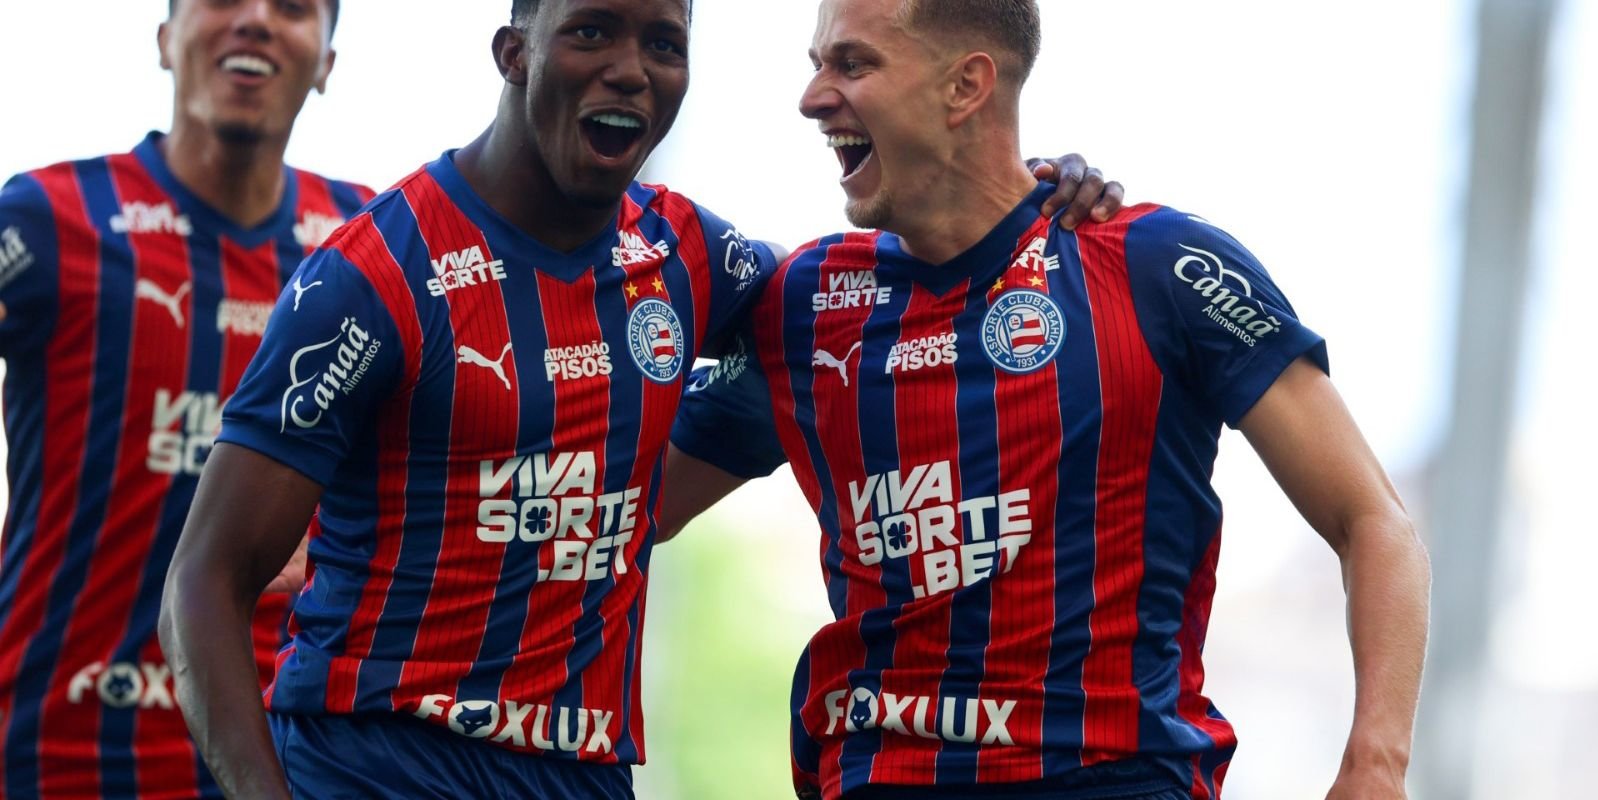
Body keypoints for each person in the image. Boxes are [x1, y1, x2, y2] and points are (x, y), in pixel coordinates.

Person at [156, 0, 1118, 797]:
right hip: (376, 762)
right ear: (515, 54)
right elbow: (200, 585)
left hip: (583, 773)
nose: (630, 70)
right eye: (591, 32)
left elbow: (871, 302)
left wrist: (1030, 198)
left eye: (664, 43)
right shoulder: (374, 273)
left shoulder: (688, 253)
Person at [663, 1, 1432, 798]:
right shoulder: (807, 302)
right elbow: (629, 514)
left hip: (1110, 777)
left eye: (853, 65)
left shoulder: (1159, 266)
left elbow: (1373, 522)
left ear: (966, 86)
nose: (813, 97)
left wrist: (1375, 767)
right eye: (817, 64)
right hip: (877, 774)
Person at [0, 1, 371, 797]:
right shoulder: (51, 219)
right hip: (58, 754)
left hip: (283, 764)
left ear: (327, 62)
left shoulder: (367, 246)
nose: (256, 20)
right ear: (166, 39)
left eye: (293, 8)